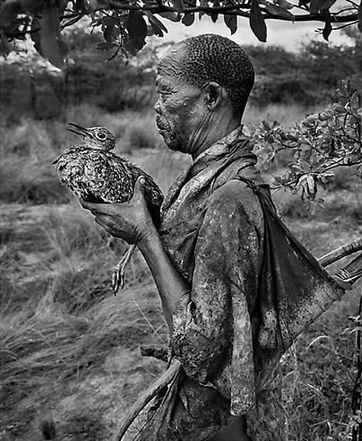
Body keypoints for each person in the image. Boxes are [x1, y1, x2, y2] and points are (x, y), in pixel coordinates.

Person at [80, 34, 348, 440]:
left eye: (166, 92)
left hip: (208, 408)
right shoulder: (209, 174)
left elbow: (206, 349)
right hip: (213, 404)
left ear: (210, 97)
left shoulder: (231, 198)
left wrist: (145, 236)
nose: (157, 105)